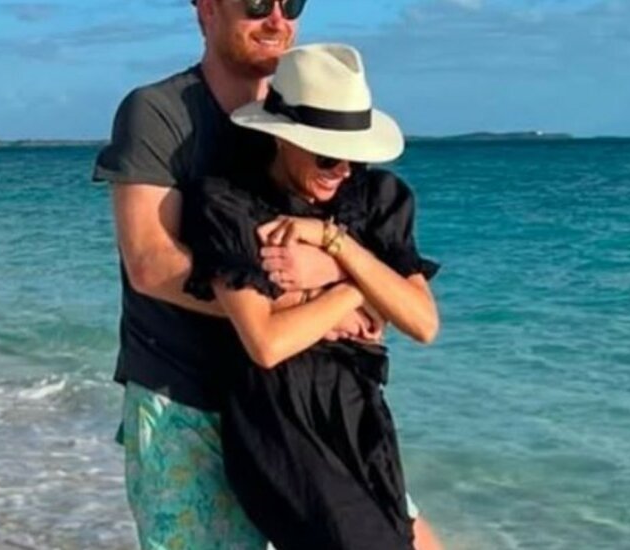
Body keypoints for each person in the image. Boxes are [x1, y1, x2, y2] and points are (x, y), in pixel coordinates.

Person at [93, 1, 444, 548]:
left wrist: (337, 269)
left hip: (316, 408)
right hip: (186, 403)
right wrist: (319, 301)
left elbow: (411, 308)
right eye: (256, 3)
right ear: (208, 9)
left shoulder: (322, 122)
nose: (277, 19)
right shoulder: (161, 113)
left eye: (291, 2)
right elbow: (151, 263)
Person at [181, 42, 439, 550]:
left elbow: (423, 322)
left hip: (359, 415)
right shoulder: (232, 205)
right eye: (327, 155)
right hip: (277, 420)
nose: (343, 170)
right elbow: (267, 343)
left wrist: (333, 245)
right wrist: (353, 293)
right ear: (282, 139)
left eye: (354, 157)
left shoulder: (375, 199)